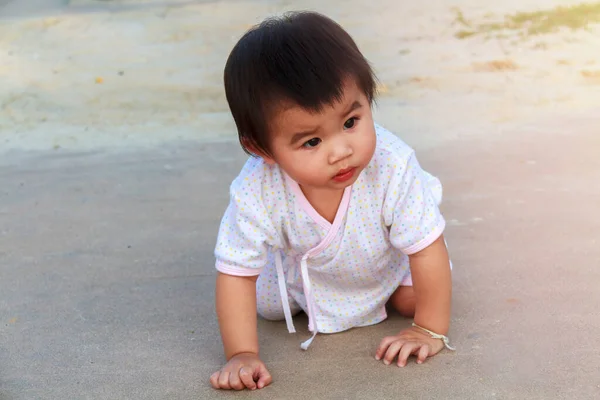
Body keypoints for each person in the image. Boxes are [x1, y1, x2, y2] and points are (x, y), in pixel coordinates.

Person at [210, 11, 454, 391]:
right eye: (311, 141)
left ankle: (396, 297)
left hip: (383, 262)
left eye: (350, 122)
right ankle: (315, 300)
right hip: (304, 274)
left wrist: (429, 329)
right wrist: (241, 353)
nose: (341, 151)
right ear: (260, 148)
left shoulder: (392, 163)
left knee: (414, 297)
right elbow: (236, 273)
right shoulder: (257, 189)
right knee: (269, 307)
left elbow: (426, 248)